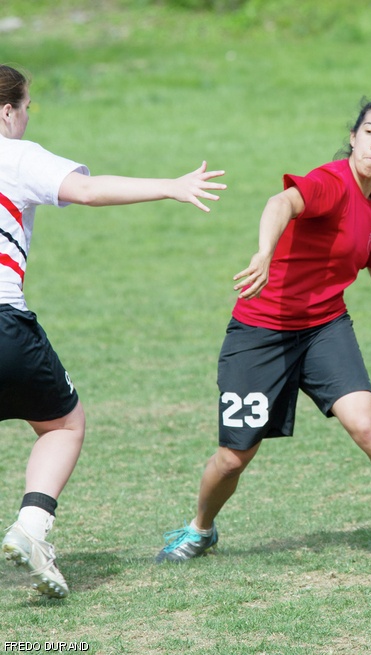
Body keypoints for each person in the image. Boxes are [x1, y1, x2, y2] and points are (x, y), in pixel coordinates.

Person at [156, 96, 371, 568]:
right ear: (353, 136)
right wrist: (264, 252)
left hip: (325, 328)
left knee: (364, 423)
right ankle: (200, 528)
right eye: (369, 131)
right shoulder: (330, 182)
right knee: (234, 456)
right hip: (261, 331)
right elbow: (280, 201)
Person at [0, 64, 227, 598]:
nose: (29, 116)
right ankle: (32, 529)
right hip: (4, 324)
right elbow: (89, 190)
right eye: (27, 106)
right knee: (63, 425)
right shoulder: (16, 156)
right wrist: (171, 186)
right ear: (7, 110)